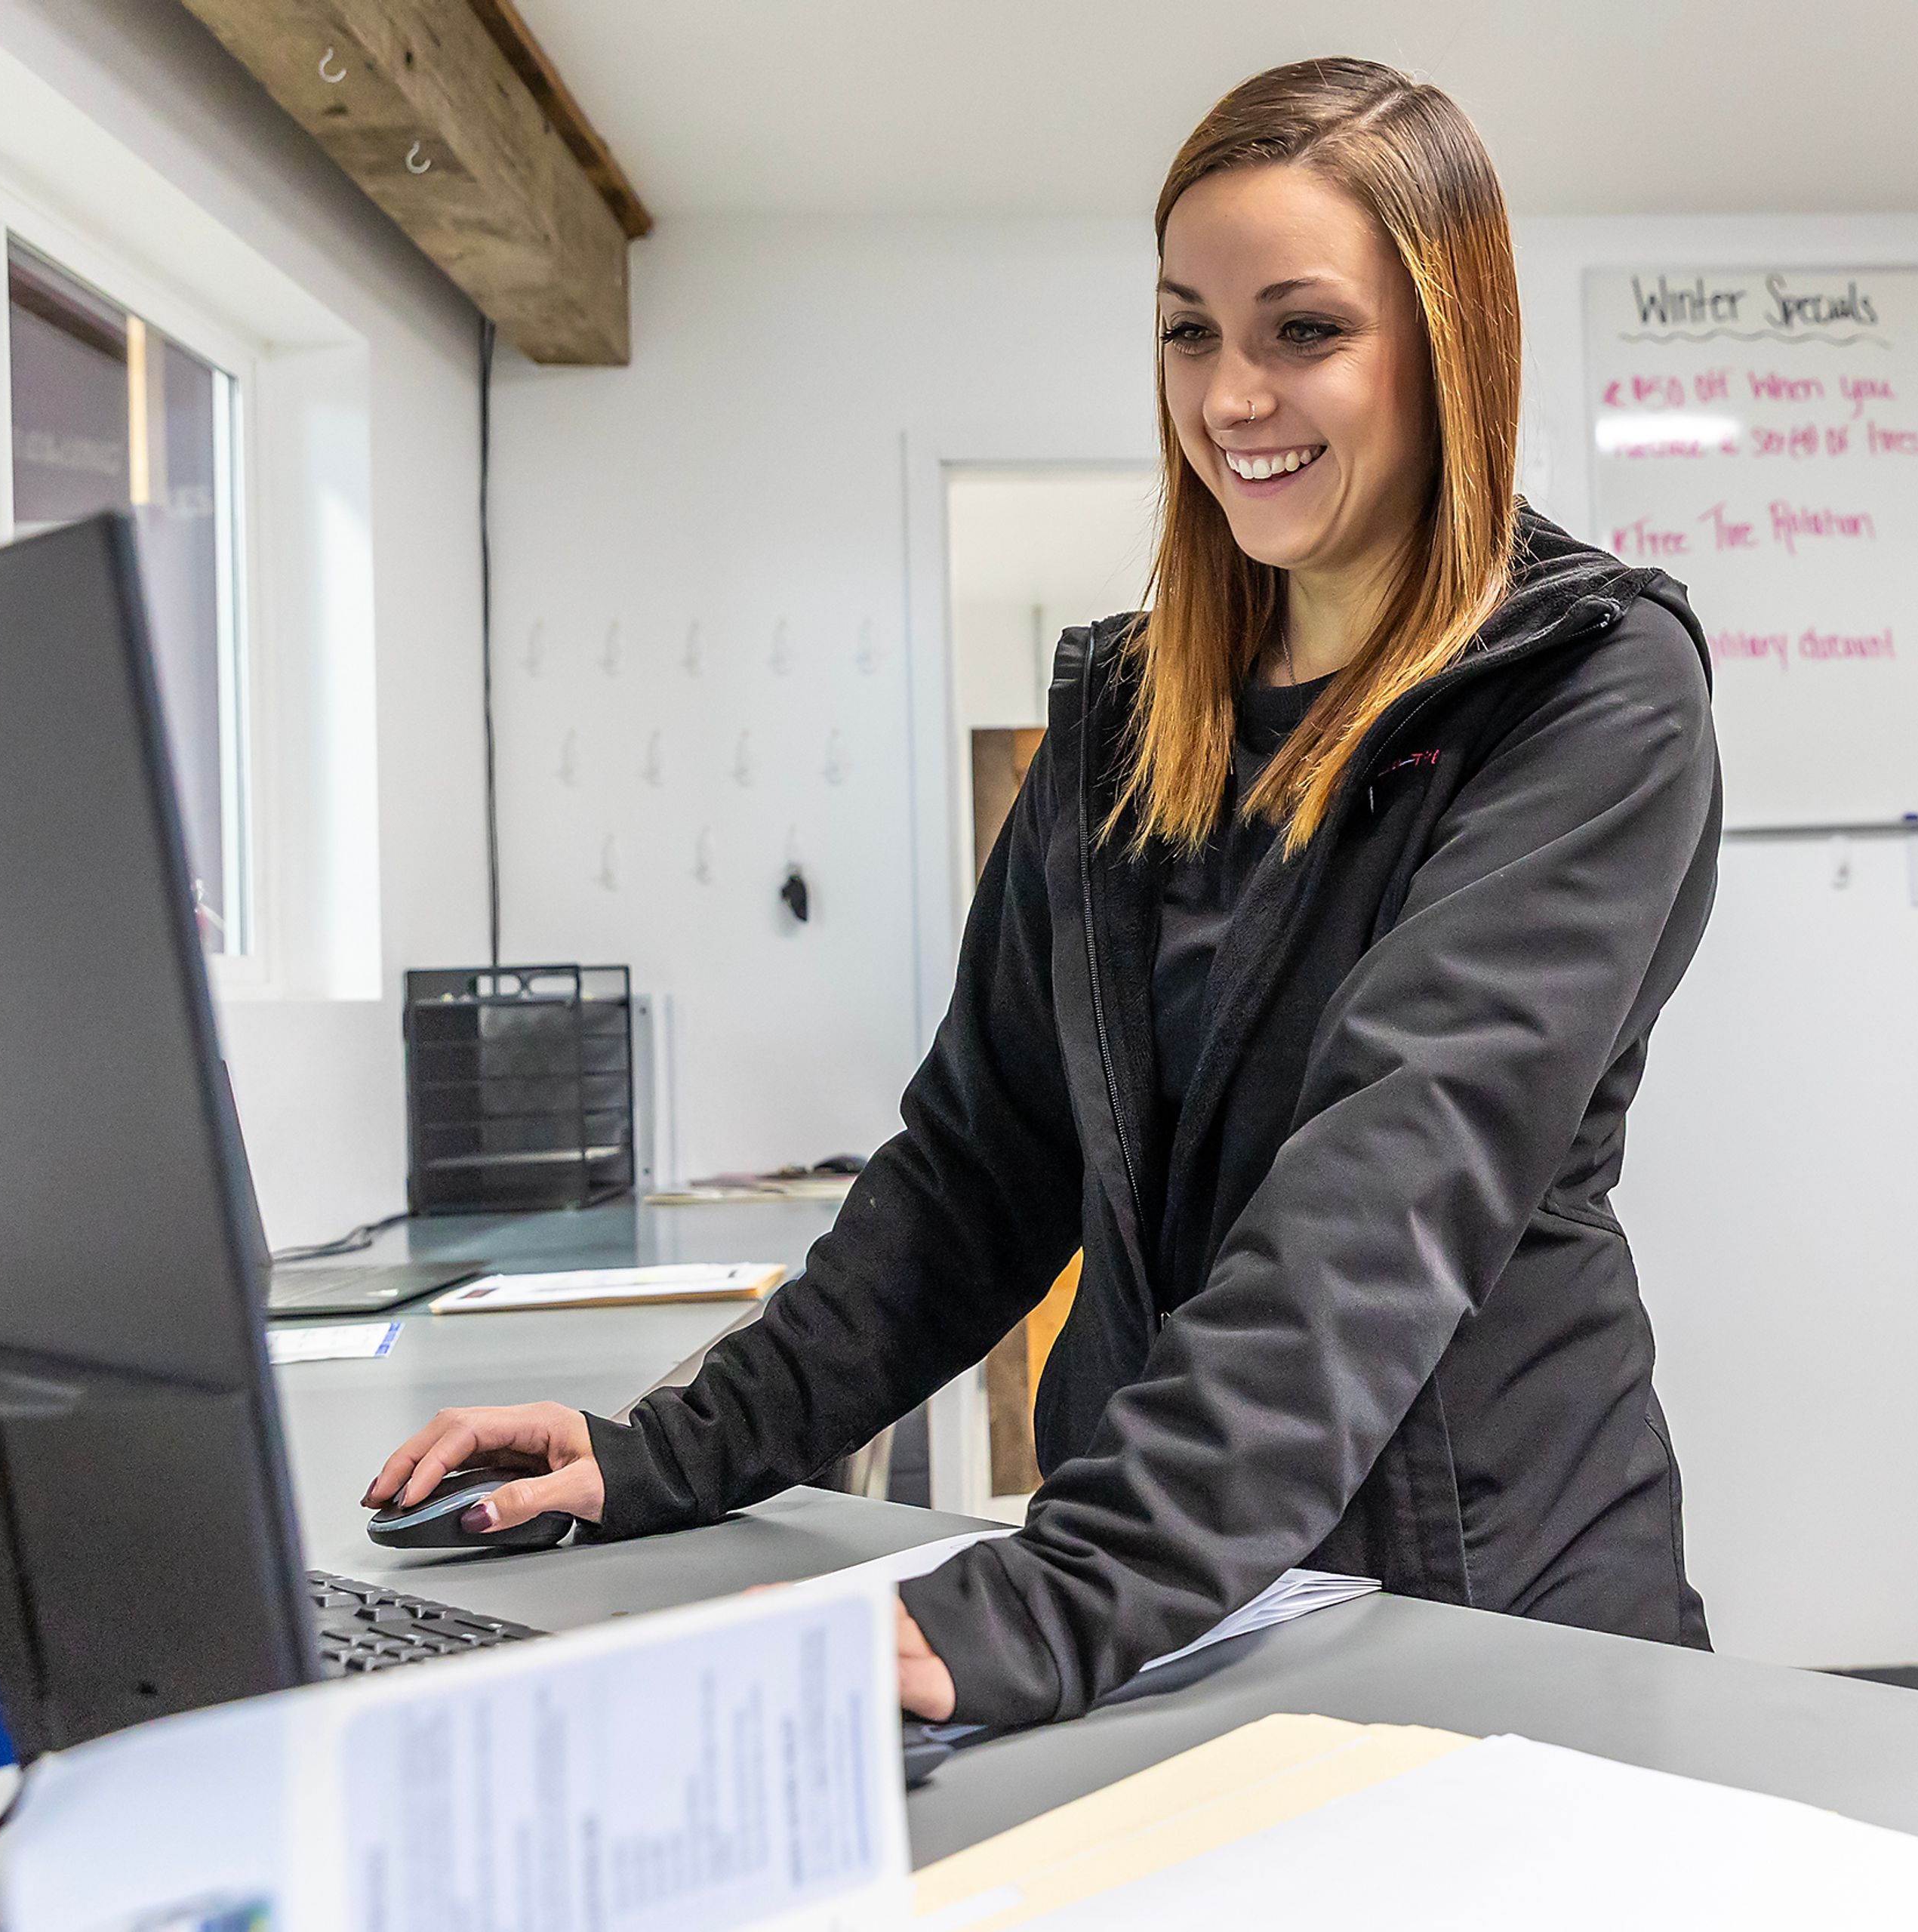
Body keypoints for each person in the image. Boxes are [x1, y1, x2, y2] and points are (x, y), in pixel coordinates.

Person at [363, 56, 1721, 1730]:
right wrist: (671, 1447)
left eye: (1304, 330)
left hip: (1480, 1597)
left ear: (1452, 340)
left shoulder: (1593, 689)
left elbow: (1386, 1197)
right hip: (1171, 1600)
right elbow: (979, 1162)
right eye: (1188, 331)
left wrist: (1048, 1594)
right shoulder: (1130, 715)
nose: (1233, 396)